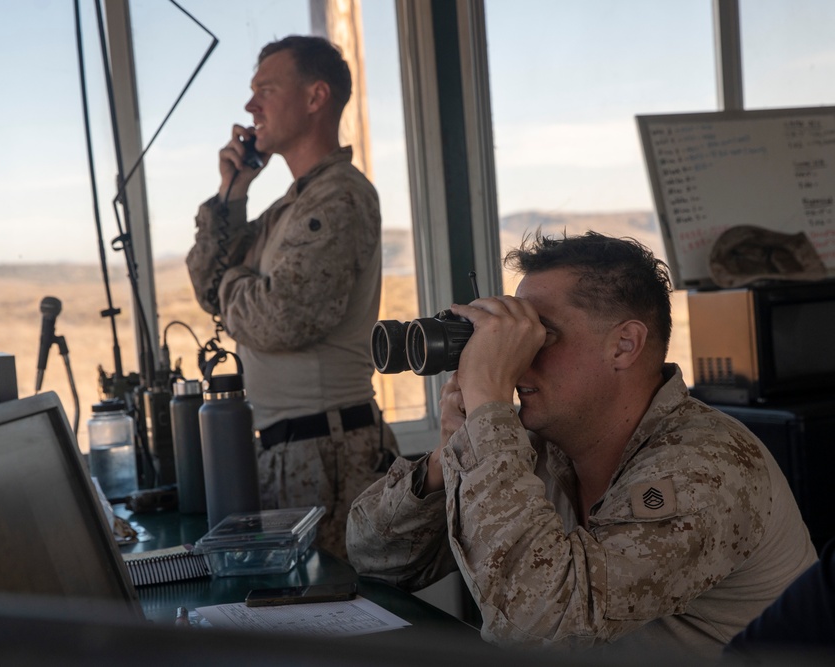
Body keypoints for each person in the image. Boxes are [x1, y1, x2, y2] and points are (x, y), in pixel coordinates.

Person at [346, 231, 817, 658]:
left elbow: (540, 623)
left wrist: (488, 410)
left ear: (624, 346)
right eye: (515, 337)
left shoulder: (706, 467)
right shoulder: (532, 448)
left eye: (541, 336)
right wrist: (448, 455)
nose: (519, 359)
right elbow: (375, 558)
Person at [186, 35, 397, 559]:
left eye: (266, 89)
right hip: (296, 452)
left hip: (329, 455)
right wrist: (233, 192)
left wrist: (230, 285)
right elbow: (207, 282)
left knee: (333, 622)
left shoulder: (339, 196)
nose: (250, 106)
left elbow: (283, 316)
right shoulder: (292, 206)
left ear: (314, 98)